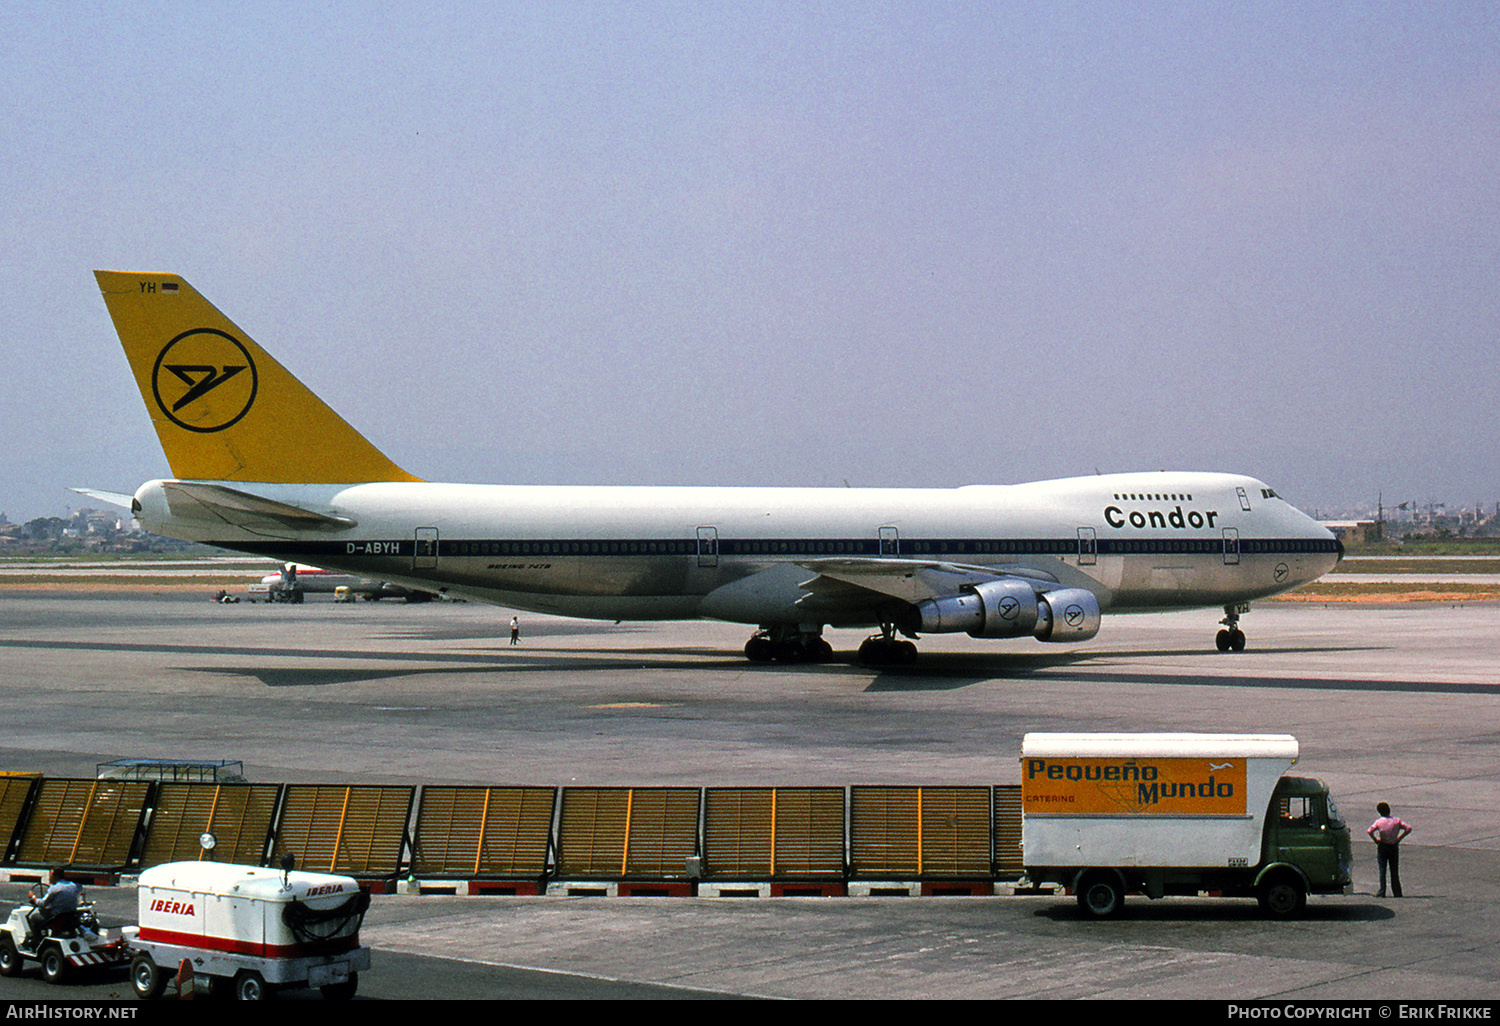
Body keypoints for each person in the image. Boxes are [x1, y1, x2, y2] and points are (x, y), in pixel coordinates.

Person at [1367, 801, 1413, 898]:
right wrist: (1399, 838)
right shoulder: (1396, 820)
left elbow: (1369, 831)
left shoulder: (1379, 821)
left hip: (1383, 846)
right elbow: (1408, 828)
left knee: (1382, 869)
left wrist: (1376, 840)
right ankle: (1397, 892)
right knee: (1394, 870)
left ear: (1379, 812)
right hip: (1393, 846)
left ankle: (1382, 891)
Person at [26, 867, 82, 941]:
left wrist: (33, 897)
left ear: (55, 876)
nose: (49, 878)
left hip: (57, 919)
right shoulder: (74, 886)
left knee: (34, 918)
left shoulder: (54, 888)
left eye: (50, 876)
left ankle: (36, 941)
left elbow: (42, 903)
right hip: (70, 917)